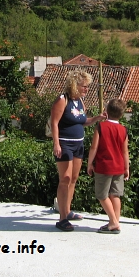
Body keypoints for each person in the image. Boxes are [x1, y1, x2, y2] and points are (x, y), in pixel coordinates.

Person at [50, 70, 106, 232]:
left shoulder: (80, 101)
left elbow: (82, 121)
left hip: (78, 145)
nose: (86, 89)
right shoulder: (62, 100)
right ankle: (62, 218)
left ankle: (67, 211)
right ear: (75, 85)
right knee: (65, 179)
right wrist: (56, 144)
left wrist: (96, 118)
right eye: (84, 86)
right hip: (64, 144)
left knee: (73, 178)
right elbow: (54, 123)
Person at [87, 98, 129, 234]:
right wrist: (126, 168)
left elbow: (94, 147)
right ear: (121, 114)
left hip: (104, 166)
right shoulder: (123, 130)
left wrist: (89, 163)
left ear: (107, 111)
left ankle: (113, 222)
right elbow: (125, 151)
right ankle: (116, 221)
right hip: (119, 166)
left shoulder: (101, 127)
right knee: (115, 195)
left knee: (102, 195)